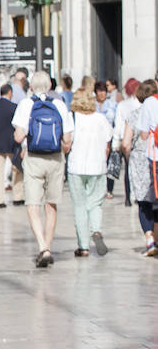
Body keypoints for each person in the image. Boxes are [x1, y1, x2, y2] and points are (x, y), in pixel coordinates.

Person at [12, 71, 75, 268]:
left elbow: (18, 137)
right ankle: (48, 245)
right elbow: (67, 140)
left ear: (30, 86)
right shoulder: (59, 104)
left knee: (33, 205)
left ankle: (42, 247)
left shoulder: (26, 104)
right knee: (51, 204)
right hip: (55, 158)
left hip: (33, 158)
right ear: (49, 86)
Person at [66, 89, 113, 257]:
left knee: (79, 206)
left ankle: (83, 246)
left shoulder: (72, 117)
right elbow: (108, 142)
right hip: (97, 166)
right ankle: (97, 230)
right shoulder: (101, 118)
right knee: (95, 203)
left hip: (76, 167)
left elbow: (67, 142)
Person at [124, 79, 158, 256]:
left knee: (144, 202)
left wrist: (128, 158)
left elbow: (126, 143)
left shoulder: (134, 115)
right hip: (154, 159)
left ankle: (150, 239)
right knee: (156, 200)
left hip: (140, 160)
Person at [0, 84, 24, 208]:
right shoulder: (14, 107)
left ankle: (0, 200)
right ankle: (17, 196)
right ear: (10, 93)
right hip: (11, 141)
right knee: (17, 168)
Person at [137, 79, 158, 250]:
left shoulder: (150, 102)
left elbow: (144, 134)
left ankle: (152, 240)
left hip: (155, 156)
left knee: (155, 198)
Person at [113, 78, 140, 207]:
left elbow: (118, 125)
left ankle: (128, 197)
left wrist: (115, 143)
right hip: (139, 140)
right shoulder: (141, 104)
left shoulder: (122, 105)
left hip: (125, 139)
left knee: (128, 169)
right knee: (139, 169)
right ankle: (137, 194)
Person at [94, 81, 119, 198]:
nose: (102, 94)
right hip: (95, 138)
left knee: (110, 163)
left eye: (104, 91)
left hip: (109, 137)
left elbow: (117, 122)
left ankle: (109, 189)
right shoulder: (91, 105)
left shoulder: (113, 105)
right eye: (99, 91)